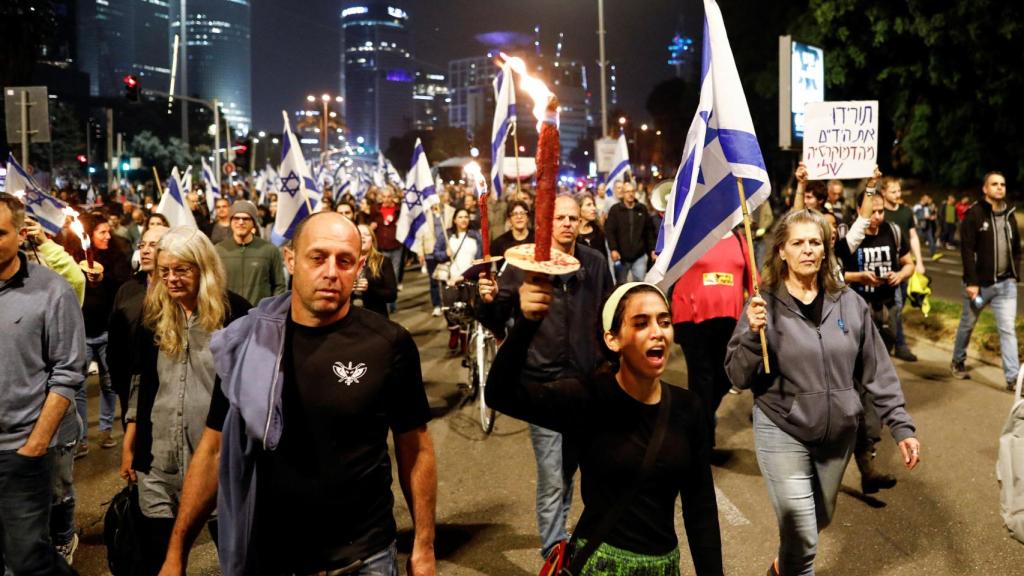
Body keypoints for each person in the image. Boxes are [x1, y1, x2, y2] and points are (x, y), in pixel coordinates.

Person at [158, 212, 437, 576]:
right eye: (317, 257)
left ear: (360, 267)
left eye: (345, 260)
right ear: (291, 259)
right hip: (271, 557)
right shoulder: (250, 343)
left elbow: (415, 450)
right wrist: (176, 551)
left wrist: (424, 545)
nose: (331, 272)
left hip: (364, 558)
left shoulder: (389, 344)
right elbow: (213, 450)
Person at [725, 209, 921, 576]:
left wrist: (901, 426)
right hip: (783, 427)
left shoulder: (849, 302)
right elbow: (736, 375)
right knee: (804, 539)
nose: (808, 250)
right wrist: (753, 335)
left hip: (839, 434)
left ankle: (780, 570)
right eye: (797, 243)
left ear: (826, 249)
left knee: (818, 522)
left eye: (815, 242)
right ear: (781, 250)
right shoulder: (762, 303)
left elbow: (876, 370)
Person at [488, 281, 723, 574]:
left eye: (664, 321)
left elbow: (700, 508)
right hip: (600, 565)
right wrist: (527, 323)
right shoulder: (587, 397)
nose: (657, 332)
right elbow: (500, 394)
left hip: (665, 567)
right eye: (641, 323)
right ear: (613, 339)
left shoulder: (689, 408)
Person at [477, 195, 615, 559]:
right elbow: (495, 318)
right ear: (546, 222)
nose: (568, 223)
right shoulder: (523, 261)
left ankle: (577, 536)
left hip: (587, 385)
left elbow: (608, 313)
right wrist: (488, 300)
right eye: (560, 218)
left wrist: (609, 364)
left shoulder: (596, 263)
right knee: (553, 474)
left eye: (573, 217)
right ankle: (554, 548)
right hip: (543, 385)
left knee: (578, 468)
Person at [120, 226, 249, 575]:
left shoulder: (236, 315)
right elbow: (142, 380)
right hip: (160, 457)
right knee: (161, 561)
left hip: (218, 463)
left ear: (203, 267)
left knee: (236, 561)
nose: (172, 279)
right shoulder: (154, 314)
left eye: (181, 269)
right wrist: (131, 436)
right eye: (165, 271)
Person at [0, 193, 85, 576]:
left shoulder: (52, 290)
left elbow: (68, 372)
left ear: (21, 234)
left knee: (27, 558)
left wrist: (35, 445)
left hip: (21, 452)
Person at [835, 192, 915, 494]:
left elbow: (910, 263)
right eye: (873, 210)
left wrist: (901, 274)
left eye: (882, 211)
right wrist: (858, 277)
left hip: (879, 319)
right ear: (861, 210)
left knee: (873, 386)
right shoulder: (847, 238)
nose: (878, 216)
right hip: (846, 322)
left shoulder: (892, 232)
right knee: (849, 392)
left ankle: (868, 464)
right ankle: (827, 467)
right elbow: (832, 275)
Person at [671, 232, 752, 450]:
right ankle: (702, 445)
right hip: (692, 318)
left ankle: (696, 418)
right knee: (703, 380)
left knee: (726, 377)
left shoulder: (738, 238)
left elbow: (753, 280)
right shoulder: (692, 235)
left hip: (728, 321)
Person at [951, 172, 1021, 390]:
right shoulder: (974, 214)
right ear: (985, 188)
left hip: (1006, 285)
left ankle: (1013, 379)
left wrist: (1014, 273)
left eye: (1003, 184)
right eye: (995, 184)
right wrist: (971, 282)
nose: (1000, 188)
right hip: (979, 286)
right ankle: (958, 360)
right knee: (968, 324)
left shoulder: (1009, 214)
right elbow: (967, 250)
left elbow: (1016, 247)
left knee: (1007, 329)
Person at [78, 211, 133, 454]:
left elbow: (123, 286)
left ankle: (105, 429)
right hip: (81, 332)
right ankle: (80, 439)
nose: (108, 236)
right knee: (77, 388)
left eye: (108, 231)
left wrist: (104, 277)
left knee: (109, 384)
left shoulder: (117, 255)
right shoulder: (72, 259)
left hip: (107, 330)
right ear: (88, 235)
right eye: (102, 232)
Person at [109, 225, 170, 428]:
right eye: (142, 245)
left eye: (153, 245)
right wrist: (120, 383)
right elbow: (114, 341)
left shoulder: (177, 292)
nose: (145, 250)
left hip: (165, 388)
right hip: (131, 386)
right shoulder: (127, 290)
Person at [880, 176, 925, 361]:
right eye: (893, 191)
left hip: (905, 267)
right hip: (885, 269)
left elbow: (913, 237)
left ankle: (890, 342)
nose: (898, 194)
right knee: (893, 309)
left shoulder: (906, 212)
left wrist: (919, 262)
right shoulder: (880, 212)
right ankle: (898, 344)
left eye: (899, 191)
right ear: (883, 192)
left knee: (897, 309)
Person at [215, 200, 287, 306]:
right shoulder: (218, 250)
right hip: (229, 316)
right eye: (236, 218)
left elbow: (279, 285)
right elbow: (213, 284)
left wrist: (270, 309)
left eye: (246, 218)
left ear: (253, 222)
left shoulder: (269, 250)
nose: (240, 222)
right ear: (230, 221)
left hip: (260, 315)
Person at [445, 208, 483, 352]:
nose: (463, 219)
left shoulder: (475, 236)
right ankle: (454, 331)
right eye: (460, 217)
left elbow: (480, 259)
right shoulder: (447, 235)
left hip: (469, 278)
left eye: (466, 216)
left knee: (468, 310)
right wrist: (444, 253)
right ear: (455, 220)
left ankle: (464, 336)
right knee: (450, 309)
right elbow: (436, 254)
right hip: (451, 278)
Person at [605, 182, 656, 284]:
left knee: (640, 284)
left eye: (632, 191)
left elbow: (649, 231)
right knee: (621, 285)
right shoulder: (615, 210)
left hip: (639, 256)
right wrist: (613, 249)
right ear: (623, 193)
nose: (630, 194)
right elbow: (610, 231)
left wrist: (652, 249)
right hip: (621, 256)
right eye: (627, 191)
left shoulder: (642, 209)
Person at [354, 223, 397, 317]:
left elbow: (392, 295)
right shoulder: (346, 262)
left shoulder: (383, 261)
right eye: (359, 234)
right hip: (350, 318)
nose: (362, 237)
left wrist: (369, 289)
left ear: (372, 240)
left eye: (366, 234)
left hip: (375, 316)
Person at [576, 193, 608, 258]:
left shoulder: (598, 230)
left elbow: (604, 258)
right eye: (588, 205)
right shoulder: (573, 234)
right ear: (578, 208)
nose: (593, 208)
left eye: (593, 204)